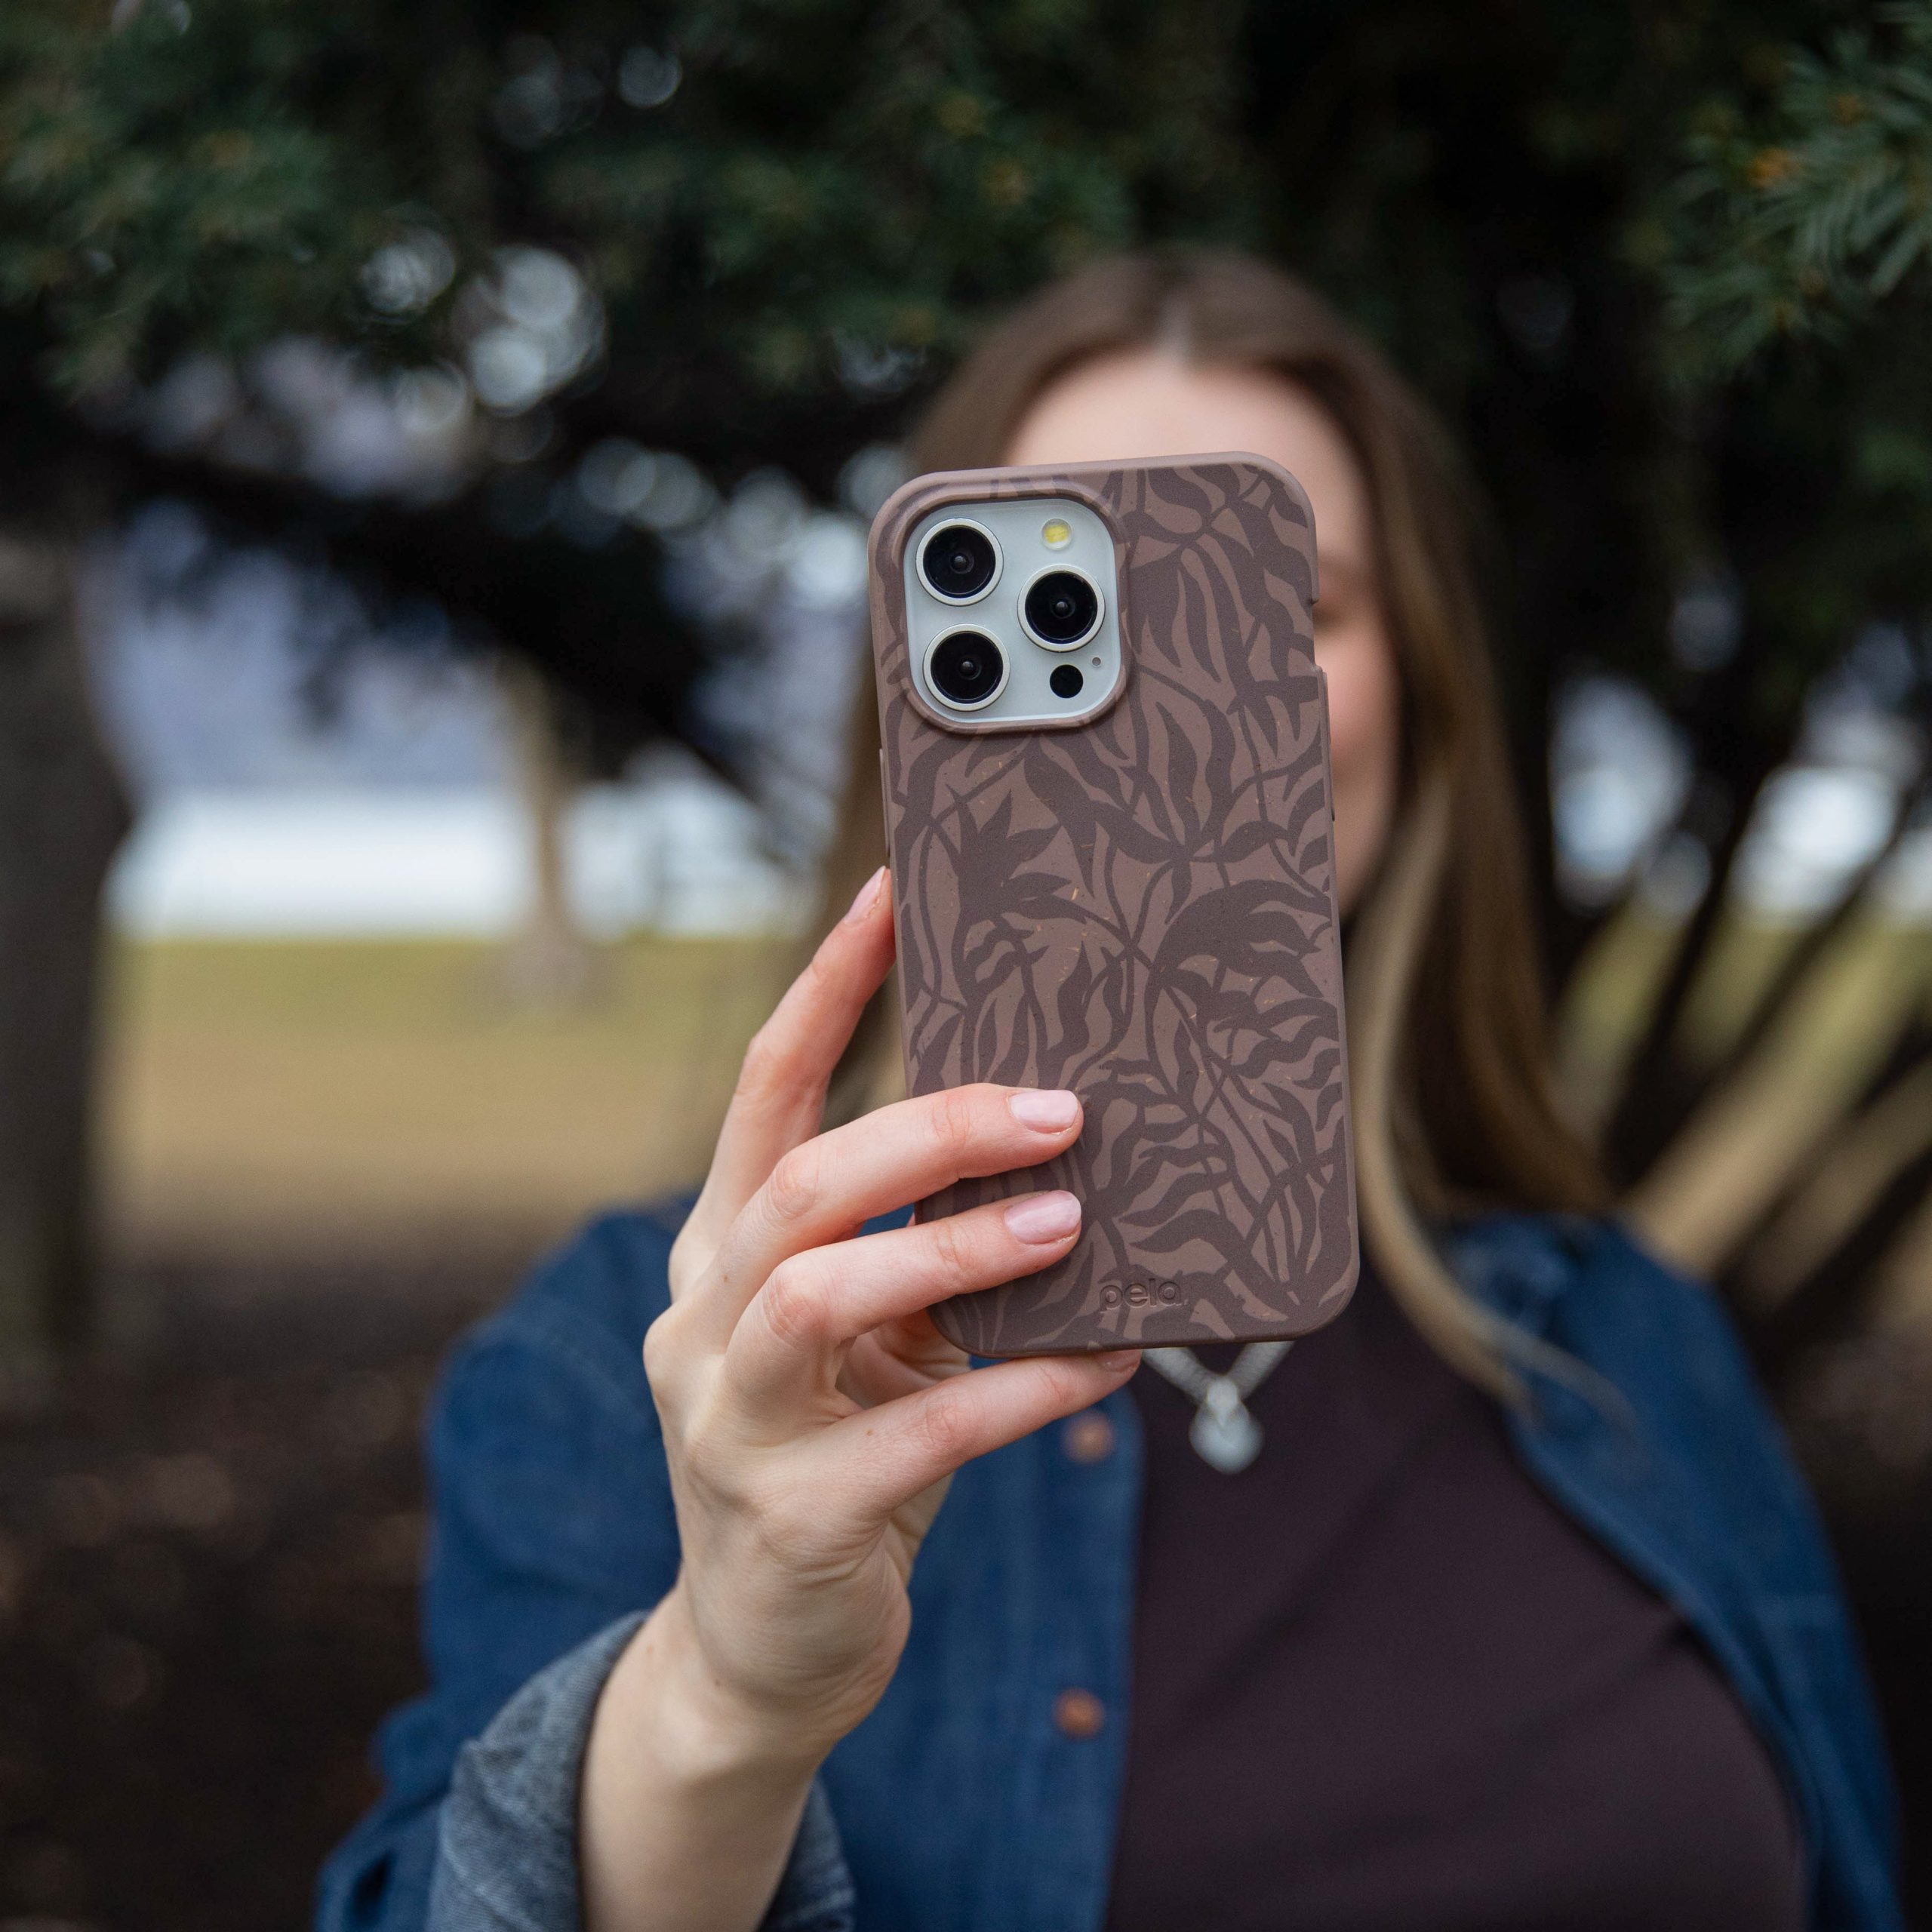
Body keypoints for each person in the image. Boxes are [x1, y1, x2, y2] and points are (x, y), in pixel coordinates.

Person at [318, 251, 1901, 1932]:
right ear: (916, 707)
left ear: (1422, 698)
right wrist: (720, 1699)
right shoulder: (631, 1364)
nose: (1178, 704)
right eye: (1086, 603)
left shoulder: (1624, 1331)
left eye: (1279, 600)